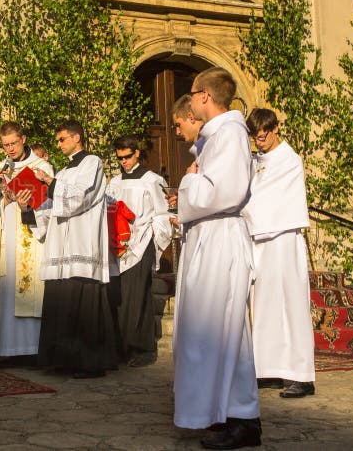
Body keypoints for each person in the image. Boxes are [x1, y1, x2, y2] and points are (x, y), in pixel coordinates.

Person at [173, 67, 261, 449]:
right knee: (211, 332)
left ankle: (243, 418)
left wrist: (188, 181)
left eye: (191, 94)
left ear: (204, 95)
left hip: (221, 237)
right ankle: (219, 411)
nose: (190, 103)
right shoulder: (216, 137)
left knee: (226, 331)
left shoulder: (229, 134)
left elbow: (217, 193)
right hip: (209, 237)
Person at [30, 120, 117, 378]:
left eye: (62, 139)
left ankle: (87, 363)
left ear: (76, 137)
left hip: (82, 244)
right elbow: (50, 207)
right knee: (60, 303)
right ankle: (61, 361)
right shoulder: (64, 172)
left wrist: (50, 182)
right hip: (60, 249)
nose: (58, 144)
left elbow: (82, 196)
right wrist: (28, 208)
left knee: (82, 305)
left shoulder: (93, 163)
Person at [242, 108, 315, 399]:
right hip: (262, 240)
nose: (260, 142)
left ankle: (302, 375)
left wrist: (237, 209)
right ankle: (268, 368)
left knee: (291, 305)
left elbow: (265, 198)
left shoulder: (289, 160)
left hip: (283, 237)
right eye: (256, 138)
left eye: (264, 136)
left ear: (274, 129)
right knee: (265, 305)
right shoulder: (256, 161)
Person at [0, 122, 54, 360]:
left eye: (13, 143)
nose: (9, 149)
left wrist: (26, 205)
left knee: (29, 290)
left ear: (23, 138)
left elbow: (51, 205)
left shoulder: (42, 167)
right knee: (7, 290)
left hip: (31, 236)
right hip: (4, 238)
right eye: (5, 145)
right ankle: (6, 350)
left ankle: (31, 351)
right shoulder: (0, 167)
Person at [105, 135, 173, 367]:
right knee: (119, 297)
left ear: (137, 153)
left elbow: (163, 213)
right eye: (120, 158)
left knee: (137, 296)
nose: (123, 161)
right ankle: (120, 347)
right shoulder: (113, 182)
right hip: (117, 246)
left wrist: (153, 238)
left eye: (127, 157)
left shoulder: (152, 180)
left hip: (141, 243)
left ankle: (142, 348)